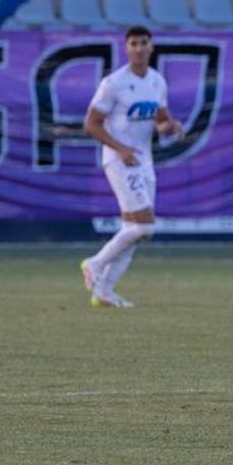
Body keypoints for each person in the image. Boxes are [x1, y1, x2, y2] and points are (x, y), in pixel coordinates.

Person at [79, 26, 183, 308]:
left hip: (144, 160)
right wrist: (120, 148)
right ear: (126, 48)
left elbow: (161, 121)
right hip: (120, 160)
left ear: (151, 47)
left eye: (143, 43)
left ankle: (104, 291)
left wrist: (171, 126)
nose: (139, 48)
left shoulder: (157, 81)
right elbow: (91, 124)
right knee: (145, 226)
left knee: (133, 229)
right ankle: (95, 263)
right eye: (133, 43)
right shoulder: (114, 83)